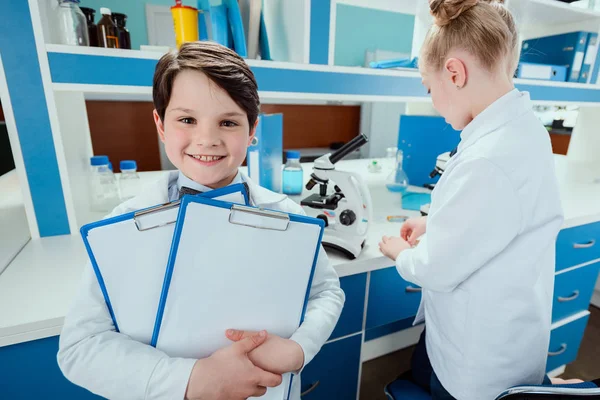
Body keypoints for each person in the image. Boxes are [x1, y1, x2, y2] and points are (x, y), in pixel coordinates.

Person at [58, 41, 345, 400]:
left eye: (228, 122)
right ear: (160, 125)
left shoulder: (286, 216)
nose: (207, 139)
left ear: (252, 129)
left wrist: (300, 348)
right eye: (187, 120)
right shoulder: (123, 226)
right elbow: (81, 346)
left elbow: (326, 292)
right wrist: (189, 379)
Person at [378, 1, 564, 399]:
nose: (432, 101)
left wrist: (397, 252)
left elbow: (435, 269)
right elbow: (501, 217)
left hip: (477, 364)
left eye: (429, 88)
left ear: (454, 73)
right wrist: (435, 221)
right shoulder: (524, 128)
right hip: (505, 335)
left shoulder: (488, 156)